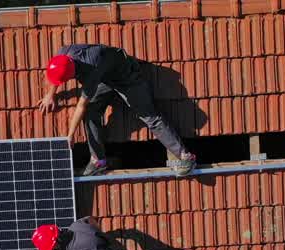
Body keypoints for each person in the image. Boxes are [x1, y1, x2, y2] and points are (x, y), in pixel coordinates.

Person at [36, 43, 197, 178]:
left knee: (149, 117)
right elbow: (58, 73)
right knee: (92, 114)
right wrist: (50, 94)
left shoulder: (92, 68)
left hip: (126, 76)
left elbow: (81, 105)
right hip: (104, 79)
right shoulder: (63, 54)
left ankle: (184, 156)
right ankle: (98, 161)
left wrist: (70, 136)